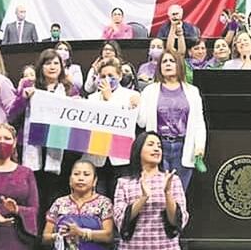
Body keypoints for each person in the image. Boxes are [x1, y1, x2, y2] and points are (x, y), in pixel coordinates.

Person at [11, 49, 81, 233]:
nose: (52, 67)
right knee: (35, 199)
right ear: (41, 67)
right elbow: (12, 117)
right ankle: (34, 239)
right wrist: (23, 99)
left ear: (62, 67)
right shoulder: (31, 88)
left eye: (56, 63)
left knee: (56, 198)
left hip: (60, 155)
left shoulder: (70, 90)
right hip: (33, 153)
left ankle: (52, 240)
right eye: (47, 63)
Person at [136, 50, 207, 192]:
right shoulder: (150, 90)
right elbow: (142, 123)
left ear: (179, 65)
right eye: (164, 61)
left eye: (171, 61)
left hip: (183, 147)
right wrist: (137, 104)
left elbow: (199, 122)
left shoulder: (192, 91)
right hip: (158, 147)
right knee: (157, 194)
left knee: (178, 196)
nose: (167, 64)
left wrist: (199, 146)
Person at [87, 59, 140, 197]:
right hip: (98, 156)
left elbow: (135, 122)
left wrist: (109, 99)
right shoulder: (92, 98)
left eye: (111, 76)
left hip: (121, 156)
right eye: (103, 76)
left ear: (120, 76)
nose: (107, 79)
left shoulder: (131, 96)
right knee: (100, 198)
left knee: (120, 199)